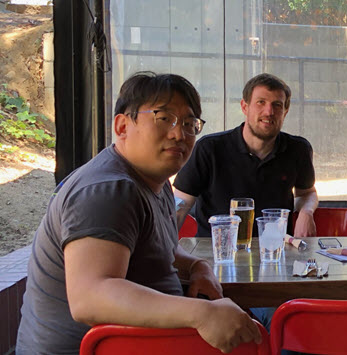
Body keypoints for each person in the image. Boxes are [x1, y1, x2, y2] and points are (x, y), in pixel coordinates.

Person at [16, 72, 261, 354]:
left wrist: (196, 267)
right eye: (164, 118)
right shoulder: (108, 190)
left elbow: (154, 251)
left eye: (189, 123)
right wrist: (201, 313)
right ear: (122, 126)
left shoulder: (155, 184)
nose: (179, 134)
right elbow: (90, 297)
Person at [174, 73, 317, 238]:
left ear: (285, 111)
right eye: (260, 102)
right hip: (217, 252)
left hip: (274, 249)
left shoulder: (298, 149)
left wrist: (306, 212)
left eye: (277, 105)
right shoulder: (209, 148)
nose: (269, 111)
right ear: (244, 107)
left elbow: (307, 193)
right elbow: (181, 203)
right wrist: (164, 249)